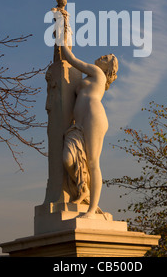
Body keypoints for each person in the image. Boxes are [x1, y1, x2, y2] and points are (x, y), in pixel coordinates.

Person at [61, 43, 118, 218]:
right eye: (103, 55)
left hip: (94, 117)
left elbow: (70, 58)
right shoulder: (91, 77)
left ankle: (92, 210)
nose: (102, 57)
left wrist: (61, 32)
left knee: (93, 162)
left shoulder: (97, 72)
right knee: (68, 159)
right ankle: (83, 188)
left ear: (107, 68)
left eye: (105, 59)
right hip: (79, 123)